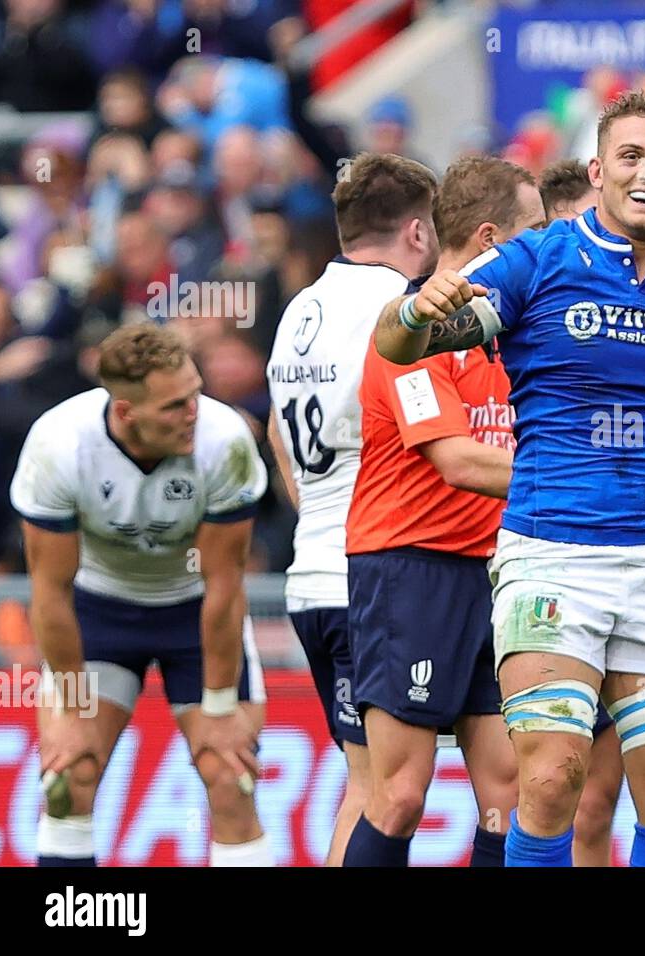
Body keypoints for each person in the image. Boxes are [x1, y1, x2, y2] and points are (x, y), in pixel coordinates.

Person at [374, 91, 645, 867]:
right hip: (553, 555)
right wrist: (415, 309)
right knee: (554, 777)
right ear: (598, 171)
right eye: (630, 157)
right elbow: (403, 344)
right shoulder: (538, 259)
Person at [340, 156, 543, 867]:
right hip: (410, 567)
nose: (546, 249)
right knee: (399, 794)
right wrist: (579, 483)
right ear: (490, 237)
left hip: (492, 573)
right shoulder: (415, 325)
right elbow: (456, 460)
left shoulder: (510, 327)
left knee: (509, 793)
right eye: (534, 232)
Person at [12, 322, 271, 867]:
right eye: (175, 405)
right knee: (69, 776)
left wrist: (222, 706)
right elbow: (50, 593)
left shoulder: (225, 442)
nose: (194, 413)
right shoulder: (58, 444)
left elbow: (225, 586)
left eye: (196, 393)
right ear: (126, 413)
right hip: (99, 611)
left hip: (196, 612)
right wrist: (74, 705)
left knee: (231, 779)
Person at [266, 152, 440, 865]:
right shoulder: (392, 312)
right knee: (387, 794)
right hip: (372, 575)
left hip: (313, 569)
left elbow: (277, 429)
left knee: (367, 786)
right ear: (420, 233)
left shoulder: (299, 308)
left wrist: (316, 506)